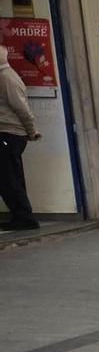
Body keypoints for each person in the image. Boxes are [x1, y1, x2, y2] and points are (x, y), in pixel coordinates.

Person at [0, 44, 40, 230]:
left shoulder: (6, 78)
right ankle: (21, 215)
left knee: (9, 178)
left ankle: (24, 217)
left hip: (10, 133)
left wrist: (31, 130)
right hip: (10, 133)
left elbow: (21, 107)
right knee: (10, 177)